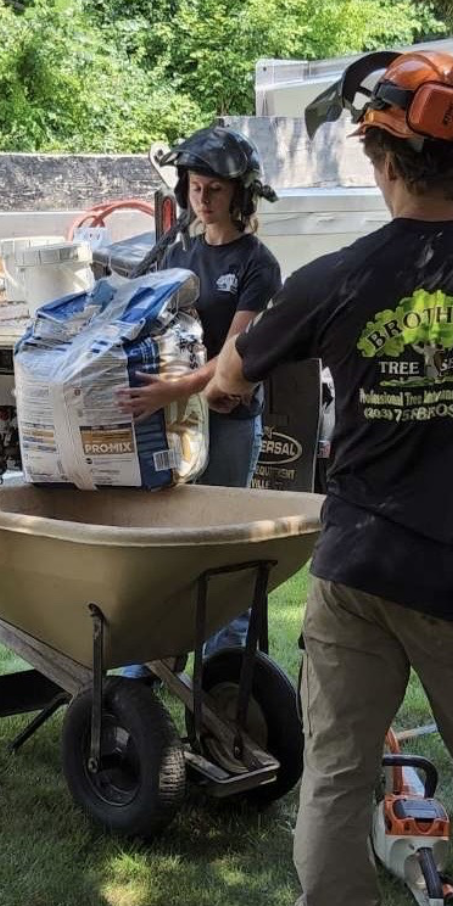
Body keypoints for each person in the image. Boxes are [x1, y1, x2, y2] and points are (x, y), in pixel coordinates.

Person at [208, 49, 453, 906]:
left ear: (383, 156)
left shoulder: (340, 275)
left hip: (364, 572)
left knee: (336, 783)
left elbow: (230, 380)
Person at [119, 125, 281, 669]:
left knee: (225, 544)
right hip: (179, 417)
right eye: (194, 186)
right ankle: (148, 667)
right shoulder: (178, 249)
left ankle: (227, 675)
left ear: (241, 193)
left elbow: (238, 351)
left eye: (214, 188)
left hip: (228, 421)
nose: (202, 199)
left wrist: (175, 388)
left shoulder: (258, 263)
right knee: (172, 541)